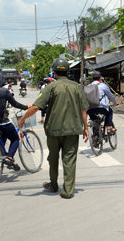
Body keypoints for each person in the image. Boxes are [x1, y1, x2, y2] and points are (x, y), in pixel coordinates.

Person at [18, 58, 88, 199]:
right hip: (72, 130)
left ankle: (54, 185)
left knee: (53, 159)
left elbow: (36, 107)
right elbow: (83, 110)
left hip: (54, 130)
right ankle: (68, 191)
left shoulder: (51, 87)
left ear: (54, 73)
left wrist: (22, 119)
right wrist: (86, 128)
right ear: (67, 72)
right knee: (69, 160)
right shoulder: (77, 87)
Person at [0, 70, 31, 170]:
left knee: (3, 135)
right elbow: (15, 104)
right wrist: (26, 107)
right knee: (15, 138)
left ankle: (1, 153)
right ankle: (9, 157)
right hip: (2, 122)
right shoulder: (3, 90)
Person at [86, 70, 117, 135]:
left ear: (92, 79)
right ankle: (109, 128)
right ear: (100, 78)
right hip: (102, 108)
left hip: (90, 109)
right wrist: (115, 102)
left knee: (94, 119)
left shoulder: (87, 86)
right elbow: (110, 95)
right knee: (110, 112)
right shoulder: (103, 86)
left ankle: (95, 136)